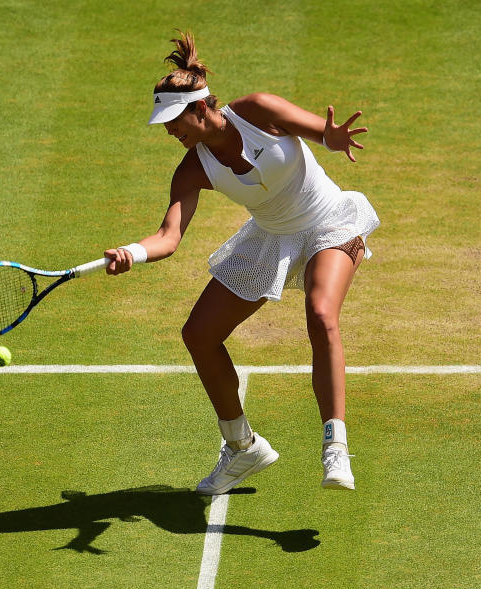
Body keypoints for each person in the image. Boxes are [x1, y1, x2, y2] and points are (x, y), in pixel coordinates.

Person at [105, 31, 379, 495]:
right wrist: (132, 252)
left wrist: (330, 137)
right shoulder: (193, 168)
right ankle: (242, 446)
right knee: (199, 334)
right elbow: (168, 238)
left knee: (321, 313)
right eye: (165, 122)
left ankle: (336, 447)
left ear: (201, 106)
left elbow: (319, 131)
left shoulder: (257, 110)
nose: (171, 131)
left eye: (176, 119)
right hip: (270, 237)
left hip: (328, 222)